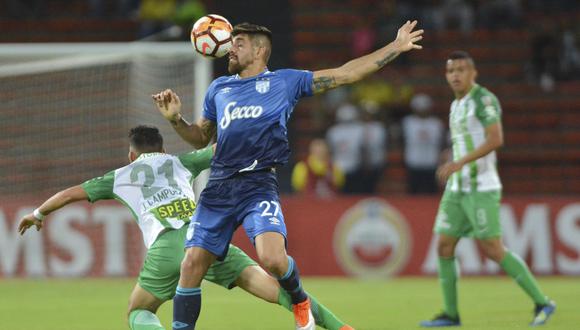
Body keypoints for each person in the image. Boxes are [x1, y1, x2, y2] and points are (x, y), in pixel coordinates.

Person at [153, 20, 423, 330]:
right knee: (191, 265)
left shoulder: (285, 82)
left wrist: (395, 47)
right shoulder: (219, 89)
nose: (229, 47)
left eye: (238, 42)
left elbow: (345, 74)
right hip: (219, 187)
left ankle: (299, 300)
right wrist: (175, 121)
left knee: (273, 260)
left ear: (260, 50)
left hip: (258, 186)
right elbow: (202, 137)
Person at [18, 125, 353, 330]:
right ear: (162, 149)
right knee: (281, 292)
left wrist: (38, 213)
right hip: (205, 238)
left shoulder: (119, 176)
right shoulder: (180, 161)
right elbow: (221, 150)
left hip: (166, 249)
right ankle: (340, 327)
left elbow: (69, 194)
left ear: (131, 154)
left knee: (139, 311)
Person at [420, 51, 556, 327]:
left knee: (493, 248)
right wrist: (453, 163)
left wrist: (458, 162)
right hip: (457, 188)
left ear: (473, 73)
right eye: (450, 71)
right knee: (444, 246)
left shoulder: (483, 99)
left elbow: (496, 139)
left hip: (481, 187)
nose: (455, 75)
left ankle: (543, 302)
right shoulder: (456, 105)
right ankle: (451, 314)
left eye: (461, 69)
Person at [401, 93, 444, 194]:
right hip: (413, 162)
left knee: (431, 192)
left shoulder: (436, 123)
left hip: (431, 163)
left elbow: (441, 143)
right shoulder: (407, 122)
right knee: (413, 192)